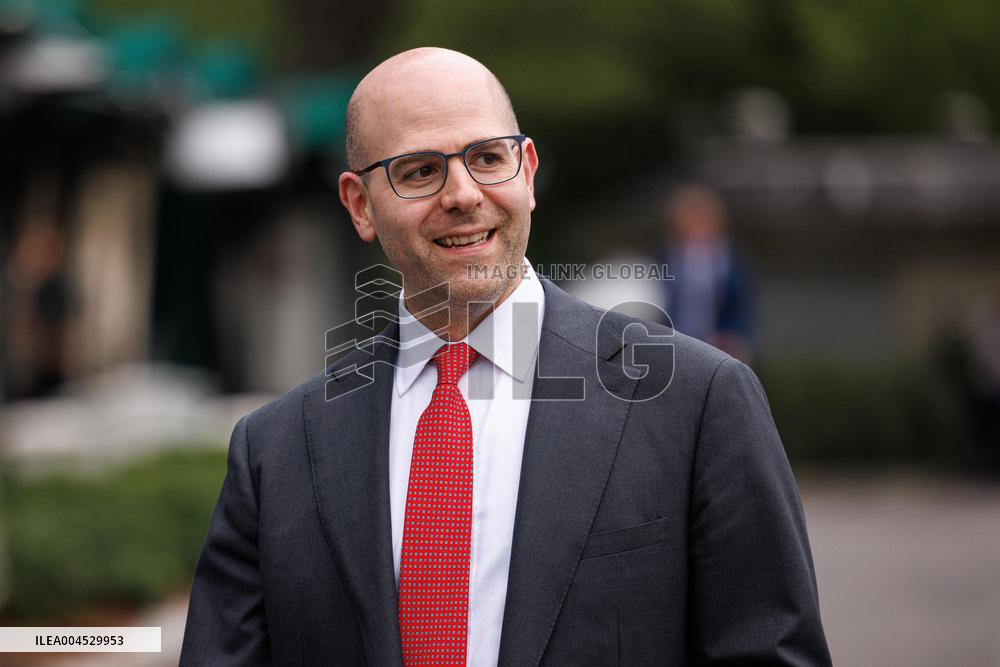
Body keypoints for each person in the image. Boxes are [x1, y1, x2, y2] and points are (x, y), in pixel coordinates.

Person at [180, 48, 831, 665]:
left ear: (528, 171)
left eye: (487, 157)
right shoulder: (274, 453)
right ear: (360, 205)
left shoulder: (697, 402)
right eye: (420, 170)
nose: (462, 193)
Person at [660, 184, 756, 365]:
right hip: (671, 345)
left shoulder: (732, 262)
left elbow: (741, 310)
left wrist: (736, 341)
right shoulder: (665, 258)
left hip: (718, 349)